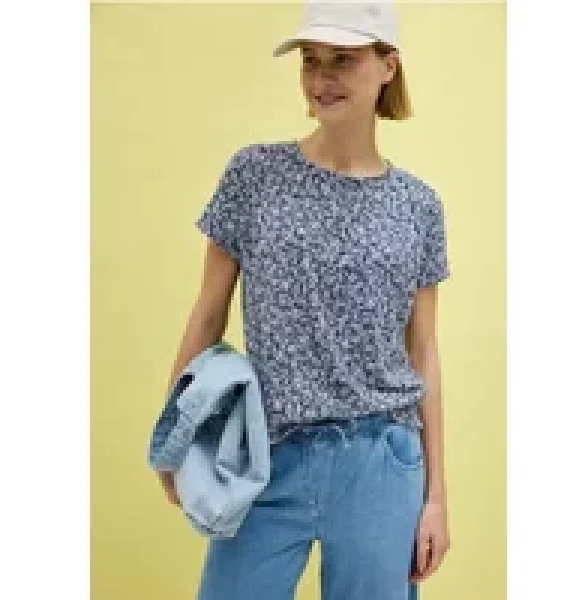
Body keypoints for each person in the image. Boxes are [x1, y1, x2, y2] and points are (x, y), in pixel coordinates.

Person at [159, 2, 451, 599]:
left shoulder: (419, 206)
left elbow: (423, 354)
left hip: (380, 460)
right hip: (264, 455)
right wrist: (175, 434)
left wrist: (436, 499)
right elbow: (208, 313)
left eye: (342, 60)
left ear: (388, 66)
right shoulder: (254, 175)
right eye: (312, 61)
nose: (322, 78)